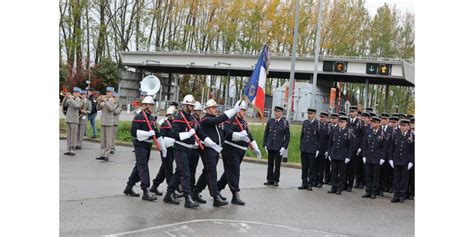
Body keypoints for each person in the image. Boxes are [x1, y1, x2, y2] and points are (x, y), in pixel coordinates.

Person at [163, 94, 219, 208]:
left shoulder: (192, 118)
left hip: (188, 149)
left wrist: (209, 141)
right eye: (191, 106)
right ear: (186, 105)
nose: (193, 108)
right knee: (186, 173)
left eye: (193, 106)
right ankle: (188, 197)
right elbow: (174, 134)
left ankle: (168, 194)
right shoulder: (179, 117)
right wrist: (188, 134)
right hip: (180, 148)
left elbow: (200, 132)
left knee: (179, 172)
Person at [192, 99, 242, 207]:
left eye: (216, 108)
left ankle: (195, 192)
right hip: (207, 148)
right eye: (213, 108)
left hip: (215, 149)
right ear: (208, 109)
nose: (216, 110)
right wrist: (234, 110)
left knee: (207, 172)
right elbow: (220, 119)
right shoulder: (206, 119)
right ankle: (215, 196)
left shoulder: (215, 120)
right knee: (212, 172)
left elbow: (222, 132)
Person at [124, 96, 167, 201]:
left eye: (152, 105)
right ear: (145, 105)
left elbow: (156, 133)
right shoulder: (139, 116)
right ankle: (145, 190)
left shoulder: (151, 118)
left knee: (139, 166)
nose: (152, 107)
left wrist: (162, 146)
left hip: (147, 144)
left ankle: (129, 186)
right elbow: (134, 132)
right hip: (140, 144)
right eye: (150, 105)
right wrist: (147, 133)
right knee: (143, 166)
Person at [217, 100, 261, 205]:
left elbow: (249, 136)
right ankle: (235, 195)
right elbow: (226, 133)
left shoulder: (244, 122)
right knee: (235, 172)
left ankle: (217, 189)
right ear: (237, 109)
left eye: (245, 110)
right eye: (242, 110)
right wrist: (238, 135)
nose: (244, 112)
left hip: (240, 151)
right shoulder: (230, 120)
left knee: (229, 172)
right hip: (230, 150)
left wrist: (255, 147)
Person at [150, 106, 177, 196]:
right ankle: (171, 190)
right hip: (165, 149)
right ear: (168, 115)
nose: (174, 117)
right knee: (169, 169)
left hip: (172, 148)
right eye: (172, 115)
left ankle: (154, 186)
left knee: (164, 169)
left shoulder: (174, 124)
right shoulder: (164, 124)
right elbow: (163, 139)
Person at [263, 106, 290, 186]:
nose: (276, 113)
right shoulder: (270, 121)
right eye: (275, 111)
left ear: (281, 113)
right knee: (270, 164)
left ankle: (276, 180)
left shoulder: (284, 122)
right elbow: (266, 134)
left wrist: (284, 147)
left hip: (279, 147)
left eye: (278, 112)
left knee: (277, 164)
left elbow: (287, 137)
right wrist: (265, 144)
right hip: (270, 145)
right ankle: (269, 179)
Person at [388, 119, 414, 203]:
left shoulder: (412, 136)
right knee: (396, 178)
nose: (401, 127)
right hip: (397, 159)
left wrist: (411, 161)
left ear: (408, 127)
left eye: (403, 126)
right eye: (401, 126)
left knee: (404, 179)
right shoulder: (396, 135)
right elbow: (392, 148)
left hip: (406, 160)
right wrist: (391, 159)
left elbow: (413, 150)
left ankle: (402, 195)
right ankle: (396, 195)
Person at [361, 116, 387, 199]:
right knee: (368, 175)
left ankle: (374, 192)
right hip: (369, 156)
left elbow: (384, 147)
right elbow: (365, 145)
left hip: (377, 157)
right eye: (372, 122)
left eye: (375, 122)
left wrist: (383, 158)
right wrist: (364, 155)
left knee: (375, 176)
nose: (372, 123)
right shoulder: (368, 132)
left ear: (379, 124)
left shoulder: (382, 133)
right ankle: (368, 191)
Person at [327, 115, 352, 195]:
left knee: (341, 173)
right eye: (339, 122)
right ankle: (333, 187)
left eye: (342, 122)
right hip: (334, 154)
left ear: (346, 123)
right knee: (334, 171)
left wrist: (348, 156)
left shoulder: (348, 132)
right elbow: (330, 143)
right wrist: (329, 153)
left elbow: (351, 146)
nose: (340, 123)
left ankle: (339, 188)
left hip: (343, 156)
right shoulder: (335, 130)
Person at [298, 108, 319, 191]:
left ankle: (310, 183)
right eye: (308, 113)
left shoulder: (318, 124)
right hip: (304, 148)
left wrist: (317, 149)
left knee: (311, 167)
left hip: (312, 149)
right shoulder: (305, 122)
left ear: (314, 114)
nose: (309, 115)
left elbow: (319, 138)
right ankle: (304, 182)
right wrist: (301, 146)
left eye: (310, 114)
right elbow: (302, 135)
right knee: (304, 167)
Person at [346, 106, 363, 192]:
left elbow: (361, 136)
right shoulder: (347, 121)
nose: (351, 113)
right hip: (346, 147)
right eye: (350, 111)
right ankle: (344, 184)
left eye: (353, 112)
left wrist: (360, 147)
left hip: (355, 148)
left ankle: (350, 185)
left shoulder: (359, 122)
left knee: (351, 168)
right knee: (344, 167)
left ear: (356, 112)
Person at [96, 87, 115, 161]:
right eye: (107, 92)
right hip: (103, 121)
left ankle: (107, 155)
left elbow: (111, 109)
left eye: (109, 92)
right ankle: (102, 154)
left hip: (109, 122)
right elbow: (98, 108)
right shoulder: (104, 100)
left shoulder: (112, 100)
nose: (107, 93)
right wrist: (98, 102)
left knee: (108, 140)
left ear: (112, 93)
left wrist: (105, 101)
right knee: (102, 139)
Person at [62, 87, 82, 156]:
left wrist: (70, 98)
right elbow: (64, 105)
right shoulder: (70, 99)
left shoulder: (79, 100)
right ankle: (69, 149)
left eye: (76, 92)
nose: (74, 93)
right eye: (74, 92)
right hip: (68, 119)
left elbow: (76, 106)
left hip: (74, 120)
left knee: (73, 136)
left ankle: (73, 150)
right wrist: (65, 97)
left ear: (79, 94)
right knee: (69, 136)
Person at [313, 111, 330, 188]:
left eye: (323, 117)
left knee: (321, 167)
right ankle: (315, 180)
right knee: (315, 166)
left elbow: (330, 140)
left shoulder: (329, 127)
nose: (322, 118)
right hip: (317, 149)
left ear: (326, 118)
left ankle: (320, 181)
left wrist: (328, 150)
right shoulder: (317, 125)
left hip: (324, 149)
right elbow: (315, 137)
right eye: (321, 117)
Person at [324, 113, 339, 185]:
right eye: (332, 118)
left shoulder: (338, 128)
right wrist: (327, 150)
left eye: (335, 118)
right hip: (328, 148)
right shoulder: (328, 127)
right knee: (327, 165)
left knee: (334, 167)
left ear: (337, 119)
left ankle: (331, 180)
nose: (333, 120)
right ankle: (326, 178)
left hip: (335, 149)